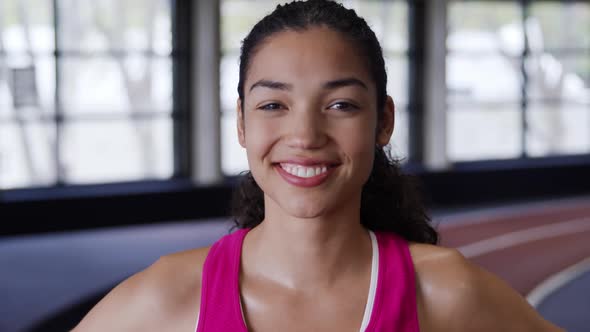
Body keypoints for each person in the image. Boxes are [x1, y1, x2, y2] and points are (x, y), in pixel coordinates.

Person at [73, 1, 564, 331]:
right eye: (272, 106)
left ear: (383, 121)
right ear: (241, 124)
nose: (305, 136)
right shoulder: (170, 296)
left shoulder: (444, 290)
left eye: (341, 105)